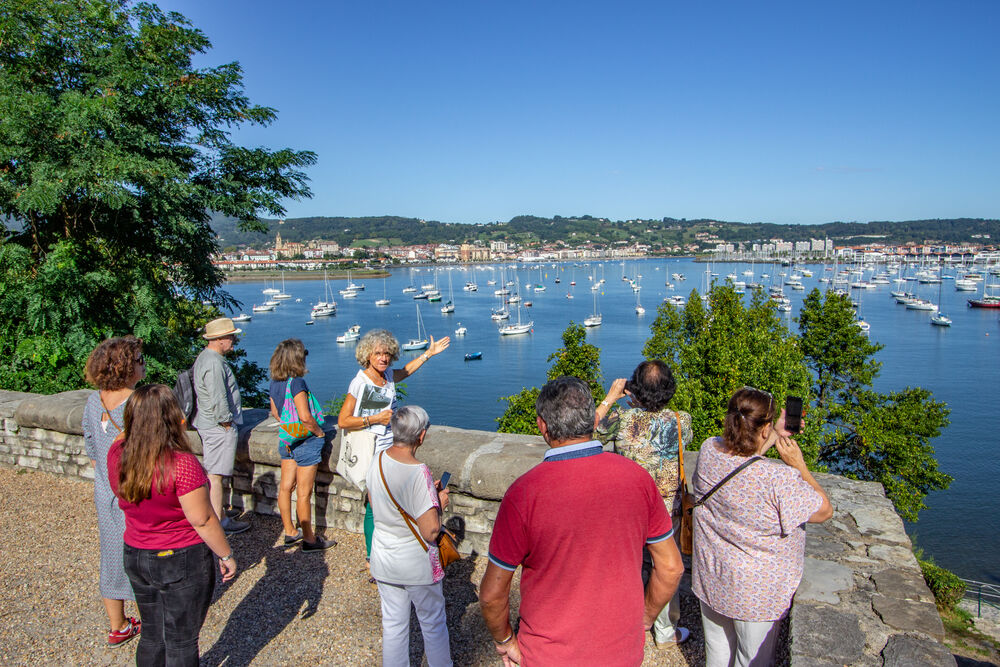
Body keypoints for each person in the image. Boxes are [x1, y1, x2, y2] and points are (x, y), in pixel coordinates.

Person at [480, 376, 685, 667]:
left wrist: (505, 641)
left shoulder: (524, 493)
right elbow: (671, 567)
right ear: (591, 421)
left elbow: (491, 595)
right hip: (621, 652)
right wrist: (644, 618)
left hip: (549, 655)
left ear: (542, 426)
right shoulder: (638, 479)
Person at [691, 387, 833, 667]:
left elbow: (745, 458)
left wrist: (776, 433)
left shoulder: (710, 449)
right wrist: (798, 465)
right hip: (756, 591)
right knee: (751, 659)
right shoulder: (777, 478)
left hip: (713, 574)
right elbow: (824, 511)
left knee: (717, 652)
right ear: (764, 426)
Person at [108, 384, 237, 666]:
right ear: (171, 419)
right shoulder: (181, 464)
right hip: (180, 556)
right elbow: (202, 519)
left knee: (152, 633)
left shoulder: (118, 454)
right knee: (181, 639)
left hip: (136, 551)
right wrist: (225, 554)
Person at [596, 359, 690, 646]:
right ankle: (664, 630)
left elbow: (586, 432)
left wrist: (612, 397)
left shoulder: (621, 422)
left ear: (634, 389)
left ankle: (624, 621)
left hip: (628, 511)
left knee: (629, 566)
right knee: (665, 567)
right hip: (666, 509)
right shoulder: (681, 420)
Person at [338, 329, 449, 571]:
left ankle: (393, 552)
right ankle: (372, 558)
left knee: (392, 499)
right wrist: (375, 419)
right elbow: (343, 420)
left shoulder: (387, 375)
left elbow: (405, 372)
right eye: (378, 353)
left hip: (390, 447)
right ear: (367, 355)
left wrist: (428, 354)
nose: (383, 358)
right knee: (373, 504)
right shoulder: (361, 382)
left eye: (387, 353)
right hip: (371, 450)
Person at [366, 406, 452, 667]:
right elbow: (431, 531)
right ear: (421, 436)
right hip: (415, 564)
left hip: (383, 556)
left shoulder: (377, 459)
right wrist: (437, 501)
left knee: (393, 624)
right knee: (433, 623)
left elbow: (374, 501)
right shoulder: (419, 472)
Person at [82, 336, 145, 647]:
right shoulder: (137, 404)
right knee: (145, 554)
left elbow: (92, 447)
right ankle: (153, 616)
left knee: (111, 555)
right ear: (126, 367)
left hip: (105, 490)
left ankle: (118, 625)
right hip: (135, 494)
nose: (144, 365)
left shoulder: (94, 400)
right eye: (139, 360)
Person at [268, 338, 335, 552]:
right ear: (297, 359)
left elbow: (276, 414)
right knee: (304, 493)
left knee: (286, 487)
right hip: (305, 442)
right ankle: (309, 539)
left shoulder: (274, 382)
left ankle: (289, 531)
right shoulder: (297, 383)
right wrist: (319, 432)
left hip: (287, 439)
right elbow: (305, 416)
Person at [192, 317, 248, 535]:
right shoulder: (214, 363)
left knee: (214, 474)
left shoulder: (206, 358)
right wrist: (226, 423)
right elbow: (218, 398)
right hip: (218, 427)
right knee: (216, 475)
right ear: (219, 339)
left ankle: (219, 511)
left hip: (210, 424)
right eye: (231, 336)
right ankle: (219, 520)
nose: (234, 340)